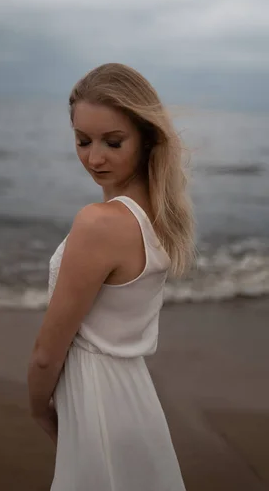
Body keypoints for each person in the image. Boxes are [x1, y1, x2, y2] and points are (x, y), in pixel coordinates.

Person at [27, 63, 194, 490]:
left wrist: (38, 407)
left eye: (113, 142)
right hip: (136, 398)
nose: (94, 157)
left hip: (95, 399)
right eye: (83, 141)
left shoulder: (99, 223)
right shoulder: (161, 217)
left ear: (146, 139)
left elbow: (49, 351)